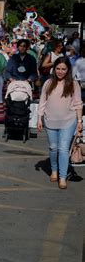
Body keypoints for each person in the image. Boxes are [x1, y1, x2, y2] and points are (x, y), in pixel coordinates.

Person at [37, 57, 83, 189]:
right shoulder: (48, 83)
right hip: (50, 120)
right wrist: (39, 118)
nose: (60, 72)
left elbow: (78, 103)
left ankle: (62, 177)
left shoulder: (73, 84)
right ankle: (54, 170)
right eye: (58, 68)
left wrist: (79, 121)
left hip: (69, 121)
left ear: (68, 70)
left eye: (63, 69)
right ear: (54, 69)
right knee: (53, 147)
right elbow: (42, 101)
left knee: (63, 149)